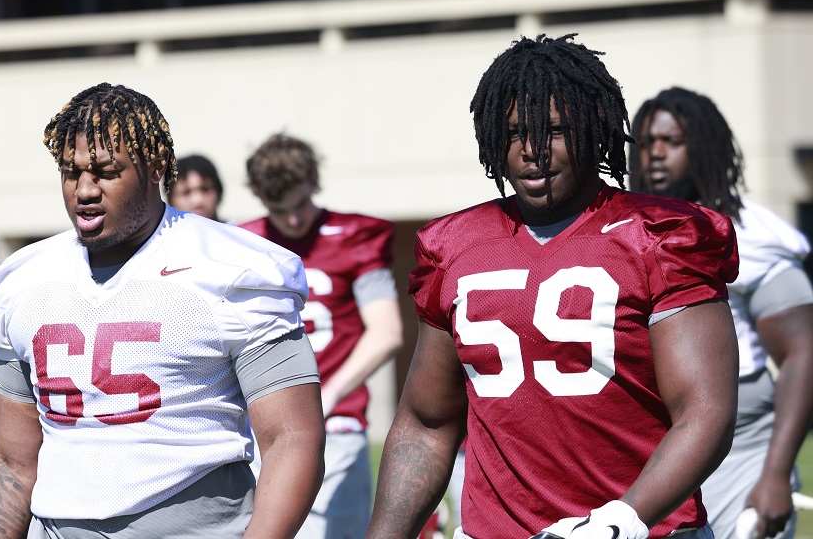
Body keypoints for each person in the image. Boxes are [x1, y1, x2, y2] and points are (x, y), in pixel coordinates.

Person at [366, 34, 741, 539]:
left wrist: (621, 521)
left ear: (595, 129)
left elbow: (705, 410)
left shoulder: (659, 238)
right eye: (516, 133)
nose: (532, 152)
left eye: (556, 132)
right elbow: (427, 422)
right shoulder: (454, 244)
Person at [0, 83, 325, 539]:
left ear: (154, 167)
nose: (85, 189)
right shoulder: (26, 282)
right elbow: (7, 461)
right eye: (71, 173)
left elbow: (292, 438)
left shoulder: (231, 267)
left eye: (106, 171)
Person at [631, 87, 813, 539]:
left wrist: (773, 476)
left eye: (671, 142)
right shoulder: (620, 231)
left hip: (741, 454)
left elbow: (803, 354)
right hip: (651, 452)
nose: (656, 154)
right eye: (648, 142)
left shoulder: (749, 234)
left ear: (704, 147)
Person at [240, 134, 403, 539]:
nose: (294, 221)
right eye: (280, 210)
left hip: (337, 419)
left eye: (299, 205)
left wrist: (328, 395)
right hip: (266, 420)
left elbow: (387, 332)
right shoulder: (243, 242)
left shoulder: (354, 235)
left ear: (314, 180)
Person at [168, 153, 225, 221]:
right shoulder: (160, 231)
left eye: (205, 189)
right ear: (170, 199)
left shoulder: (236, 230)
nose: (197, 201)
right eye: (186, 192)